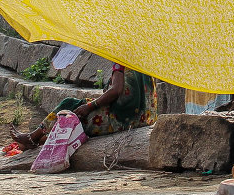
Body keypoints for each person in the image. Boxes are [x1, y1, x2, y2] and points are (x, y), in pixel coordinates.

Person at [12, 63, 155, 151]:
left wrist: (90, 106)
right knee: (77, 107)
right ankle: (37, 139)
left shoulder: (121, 61)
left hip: (120, 120)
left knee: (69, 105)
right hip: (142, 119)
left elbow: (116, 91)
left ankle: (33, 137)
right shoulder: (144, 61)